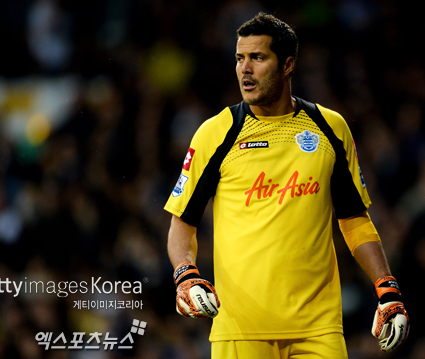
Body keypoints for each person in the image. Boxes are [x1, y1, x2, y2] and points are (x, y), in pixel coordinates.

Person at [164, 12, 409, 358]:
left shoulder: (330, 128)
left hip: (318, 329)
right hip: (240, 330)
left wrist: (388, 289)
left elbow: (354, 219)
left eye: (258, 58)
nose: (244, 69)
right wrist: (185, 275)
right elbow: (182, 221)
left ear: (288, 64)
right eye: (239, 58)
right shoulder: (216, 133)